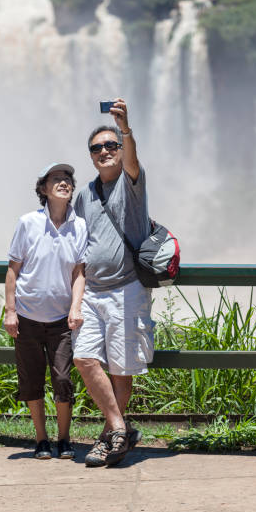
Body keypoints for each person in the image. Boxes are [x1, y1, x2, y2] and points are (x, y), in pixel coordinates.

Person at [73, 98, 154, 467]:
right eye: (97, 148)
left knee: (121, 368)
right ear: (91, 156)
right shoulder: (84, 195)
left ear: (121, 150)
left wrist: (125, 127)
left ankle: (110, 439)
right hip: (92, 292)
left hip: (127, 288)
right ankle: (120, 427)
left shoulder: (132, 184)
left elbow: (134, 160)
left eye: (111, 146)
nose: (104, 151)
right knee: (84, 357)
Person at [4, 163, 87, 460]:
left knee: (63, 379)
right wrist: (10, 311)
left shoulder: (80, 226)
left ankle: (64, 439)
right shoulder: (27, 223)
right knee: (31, 380)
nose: (63, 182)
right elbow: (13, 270)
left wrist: (76, 307)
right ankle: (41, 439)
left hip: (61, 320)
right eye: (56, 179)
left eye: (67, 179)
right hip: (26, 317)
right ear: (43, 189)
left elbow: (79, 272)